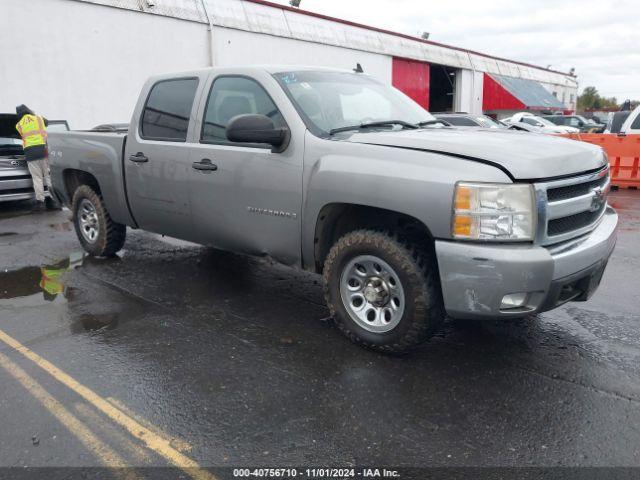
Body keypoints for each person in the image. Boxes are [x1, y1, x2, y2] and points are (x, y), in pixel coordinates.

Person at [15, 104, 60, 211]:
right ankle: (55, 201)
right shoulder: (39, 118)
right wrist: (34, 114)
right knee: (49, 177)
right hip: (43, 151)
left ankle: (40, 203)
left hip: (30, 153)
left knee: (37, 178)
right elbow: (47, 123)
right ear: (28, 110)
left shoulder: (18, 125)